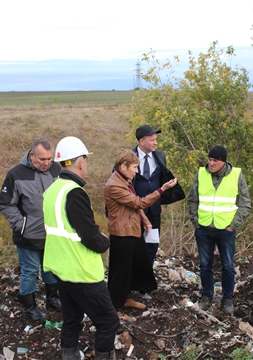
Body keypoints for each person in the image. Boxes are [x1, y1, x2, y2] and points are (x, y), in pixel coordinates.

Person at [43, 136, 118, 360]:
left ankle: (69, 355)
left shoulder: (53, 190)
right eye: (85, 159)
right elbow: (90, 236)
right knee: (108, 322)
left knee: (72, 319)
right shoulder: (74, 192)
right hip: (82, 271)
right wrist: (105, 242)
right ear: (81, 162)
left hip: (61, 268)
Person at [104, 149, 177, 313]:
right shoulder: (114, 185)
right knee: (120, 271)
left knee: (135, 265)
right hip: (122, 234)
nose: (137, 172)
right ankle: (115, 307)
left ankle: (126, 298)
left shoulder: (125, 181)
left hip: (132, 230)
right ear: (124, 166)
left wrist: (145, 220)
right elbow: (138, 203)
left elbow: (133, 206)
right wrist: (161, 190)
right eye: (135, 167)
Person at [0, 138, 62, 322]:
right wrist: (22, 225)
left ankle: (52, 298)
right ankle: (30, 307)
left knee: (50, 268)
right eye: (42, 159)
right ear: (31, 155)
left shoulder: (56, 170)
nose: (46, 163)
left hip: (52, 234)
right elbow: (6, 205)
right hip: (28, 236)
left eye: (49, 158)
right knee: (30, 271)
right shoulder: (15, 174)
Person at [187, 145, 251, 315]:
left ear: (223, 161)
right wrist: (195, 221)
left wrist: (233, 225)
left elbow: (245, 203)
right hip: (204, 228)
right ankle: (206, 297)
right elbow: (192, 199)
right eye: (209, 160)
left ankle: (227, 299)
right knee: (205, 265)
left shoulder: (236, 176)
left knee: (228, 266)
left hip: (225, 230)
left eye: (215, 160)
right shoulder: (201, 174)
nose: (211, 163)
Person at [132, 125, 166, 261]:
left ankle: (148, 274)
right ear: (142, 141)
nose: (155, 143)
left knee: (152, 245)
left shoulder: (160, 156)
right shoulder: (129, 157)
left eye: (156, 139)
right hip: (135, 210)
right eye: (152, 140)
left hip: (154, 211)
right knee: (135, 245)